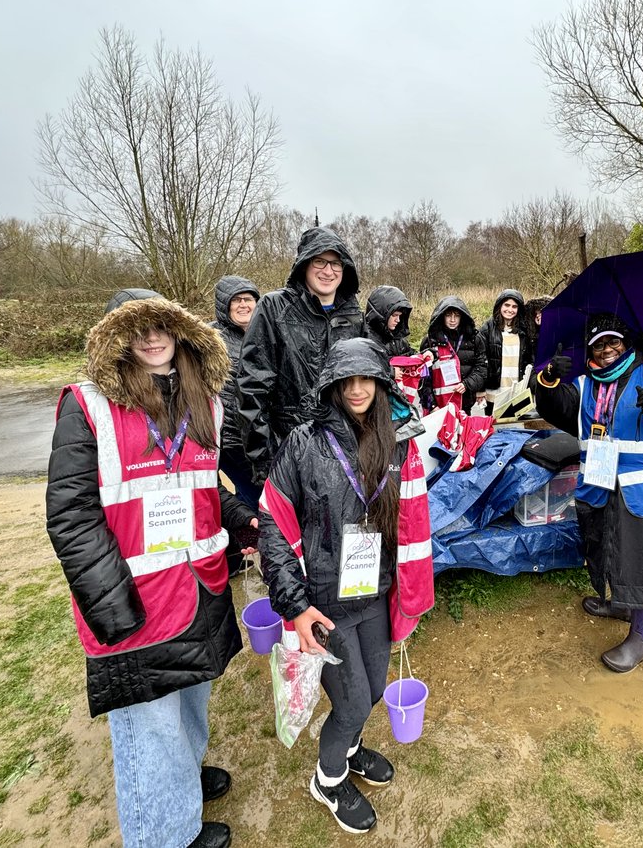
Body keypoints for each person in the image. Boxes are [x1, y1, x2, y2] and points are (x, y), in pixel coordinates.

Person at [46, 289, 255, 848]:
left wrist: (246, 522)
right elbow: (71, 516)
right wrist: (112, 607)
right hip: (135, 602)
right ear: (116, 340)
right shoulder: (87, 405)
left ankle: (180, 780)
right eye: (136, 329)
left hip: (199, 587)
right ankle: (167, 834)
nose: (151, 337)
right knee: (148, 730)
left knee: (190, 703)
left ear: (183, 334)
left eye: (161, 326)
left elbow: (200, 487)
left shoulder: (203, 403)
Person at [258, 338, 431, 835]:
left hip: (373, 592)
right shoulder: (304, 443)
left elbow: (409, 522)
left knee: (373, 689)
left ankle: (350, 748)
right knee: (352, 701)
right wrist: (294, 606)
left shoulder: (397, 442)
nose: (357, 389)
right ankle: (328, 779)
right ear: (330, 385)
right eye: (345, 380)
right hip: (323, 602)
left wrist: (409, 592)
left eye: (366, 379)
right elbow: (273, 522)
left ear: (381, 382)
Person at [531, 314, 643, 673]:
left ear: (627, 343)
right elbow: (557, 409)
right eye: (599, 344)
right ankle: (622, 603)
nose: (607, 350)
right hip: (600, 485)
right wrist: (549, 380)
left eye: (614, 342)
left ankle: (642, 639)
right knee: (607, 548)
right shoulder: (585, 384)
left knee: (642, 562)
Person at [234, 226, 366, 487]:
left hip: (345, 451)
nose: (328, 271)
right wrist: (266, 463)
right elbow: (252, 390)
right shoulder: (274, 308)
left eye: (336, 263)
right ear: (305, 263)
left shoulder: (354, 316)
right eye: (320, 261)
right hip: (290, 449)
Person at [211, 275, 262, 572]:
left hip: (252, 435)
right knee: (221, 496)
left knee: (246, 496)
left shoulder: (263, 333)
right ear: (224, 305)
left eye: (249, 299)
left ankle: (238, 552)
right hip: (220, 435)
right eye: (237, 300)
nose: (243, 304)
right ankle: (238, 553)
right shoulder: (211, 338)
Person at [418, 296, 487, 414]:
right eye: (448, 315)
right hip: (438, 407)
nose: (453, 320)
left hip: (464, 404)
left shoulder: (474, 339)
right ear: (442, 317)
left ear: (462, 317)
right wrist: (432, 405)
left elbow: (482, 368)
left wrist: (467, 384)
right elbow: (424, 379)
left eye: (457, 316)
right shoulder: (430, 341)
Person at [479, 289, 534, 409]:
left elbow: (529, 359)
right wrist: (480, 390)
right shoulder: (487, 329)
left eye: (514, 306)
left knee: (516, 426)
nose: (510, 310)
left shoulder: (524, 330)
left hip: (518, 390)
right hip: (494, 391)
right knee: (493, 426)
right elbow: (480, 360)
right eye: (507, 305)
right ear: (499, 306)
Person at [365, 285, 414, 358]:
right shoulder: (367, 340)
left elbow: (410, 354)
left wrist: (424, 354)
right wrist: (392, 369)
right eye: (394, 315)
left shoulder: (398, 336)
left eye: (400, 316)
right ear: (380, 315)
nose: (398, 320)